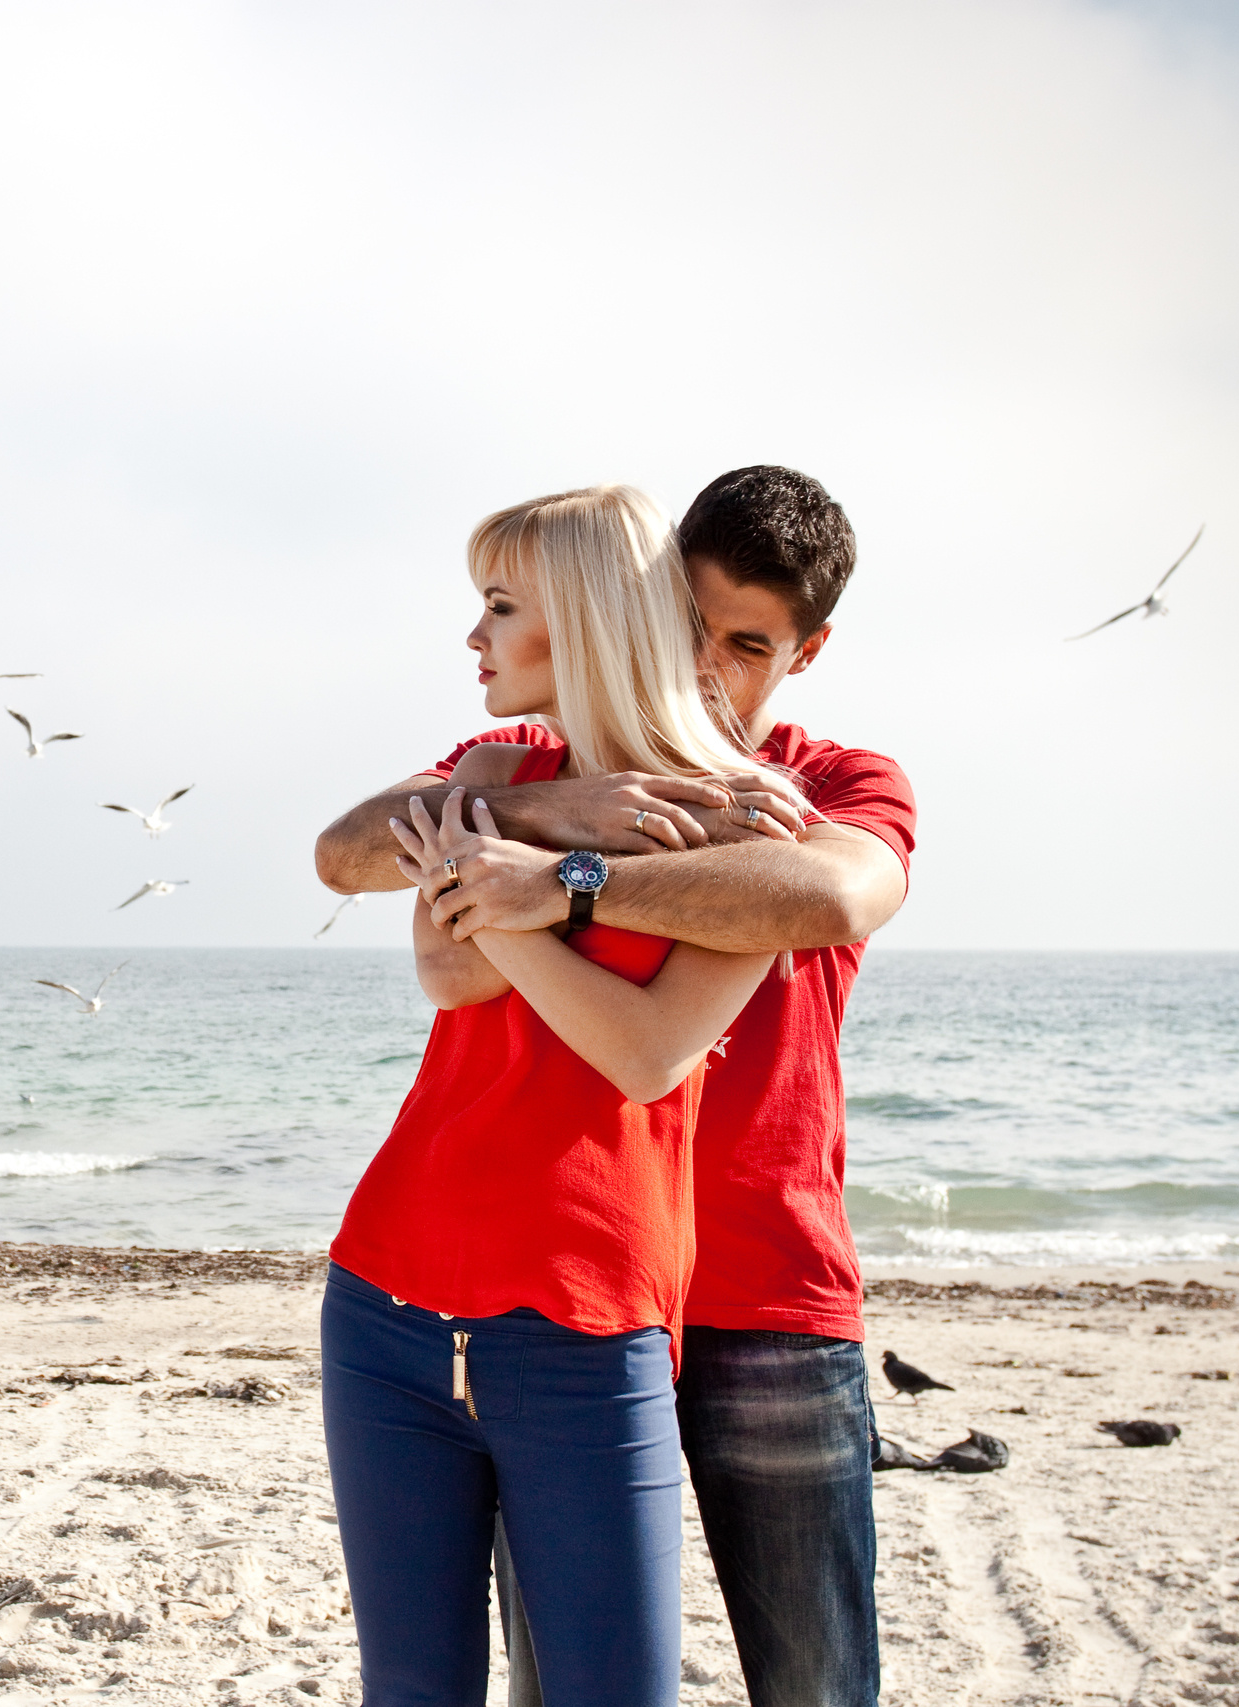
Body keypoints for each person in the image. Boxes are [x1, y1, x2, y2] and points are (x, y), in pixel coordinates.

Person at [315, 465, 916, 1707]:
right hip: (557, 1290)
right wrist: (558, 804)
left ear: (806, 652)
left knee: (811, 1682)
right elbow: (365, 869)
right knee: (548, 1678)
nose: (705, 667)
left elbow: (828, 895)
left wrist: (564, 881)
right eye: (686, 626)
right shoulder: (524, 761)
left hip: (761, 1291)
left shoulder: (817, 791)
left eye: (746, 645)